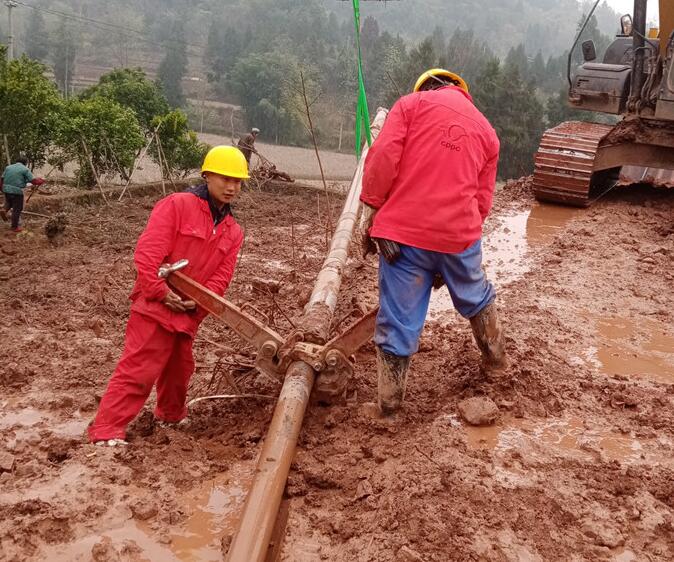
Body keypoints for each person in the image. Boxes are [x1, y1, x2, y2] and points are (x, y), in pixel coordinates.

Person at [359, 68, 507, 417]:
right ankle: (497, 363)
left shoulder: (410, 106)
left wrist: (375, 215)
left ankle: (389, 407)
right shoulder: (487, 132)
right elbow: (482, 200)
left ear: (425, 86)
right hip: (459, 237)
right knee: (476, 295)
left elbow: (382, 160)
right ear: (460, 88)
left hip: (403, 237)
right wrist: (451, 252)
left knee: (398, 315)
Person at [88, 146, 248, 446]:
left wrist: (199, 303)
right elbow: (148, 255)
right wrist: (161, 292)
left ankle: (170, 415)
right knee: (139, 368)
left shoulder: (232, 230)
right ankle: (106, 430)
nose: (232, 187)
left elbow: (221, 277)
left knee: (180, 370)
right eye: (226, 178)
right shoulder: (177, 205)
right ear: (207, 175)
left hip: (188, 313)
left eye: (238, 181)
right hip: (154, 307)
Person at [1, 156, 45, 232]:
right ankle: (14, 227)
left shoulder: (8, 167)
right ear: (25, 163)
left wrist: (2, 189)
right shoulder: (25, 169)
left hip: (6, 189)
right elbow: (34, 181)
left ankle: (4, 210)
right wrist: (41, 181)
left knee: (9, 203)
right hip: (17, 191)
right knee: (17, 209)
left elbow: (2, 179)